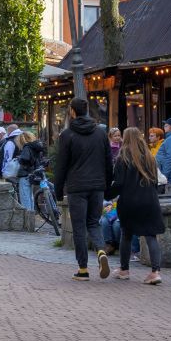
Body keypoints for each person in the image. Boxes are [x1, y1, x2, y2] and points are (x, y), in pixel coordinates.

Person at [54, 98, 114, 282]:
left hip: (76, 187)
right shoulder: (100, 133)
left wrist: (58, 191)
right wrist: (107, 184)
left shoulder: (67, 135)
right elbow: (108, 161)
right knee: (94, 222)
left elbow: (61, 166)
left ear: (72, 111)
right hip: (97, 185)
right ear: (87, 110)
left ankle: (83, 269)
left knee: (79, 227)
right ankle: (101, 250)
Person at [107, 127, 164, 285]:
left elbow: (118, 184)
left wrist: (106, 194)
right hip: (150, 201)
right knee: (151, 235)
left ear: (126, 138)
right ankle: (155, 272)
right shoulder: (150, 157)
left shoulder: (123, 157)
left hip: (130, 202)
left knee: (126, 234)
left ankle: (124, 270)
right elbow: (156, 182)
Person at [16, 130, 46, 212]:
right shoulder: (36, 147)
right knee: (30, 198)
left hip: (25, 175)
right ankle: (31, 218)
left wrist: (20, 160)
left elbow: (25, 159)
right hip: (33, 175)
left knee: (25, 199)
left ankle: (28, 222)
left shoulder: (27, 147)